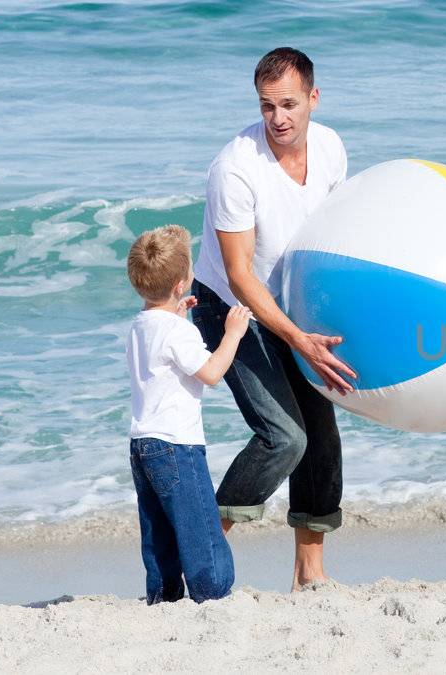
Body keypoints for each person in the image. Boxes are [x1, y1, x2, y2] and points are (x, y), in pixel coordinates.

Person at [190, 47, 356, 590]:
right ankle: (199, 544)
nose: (278, 118)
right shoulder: (235, 170)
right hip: (231, 306)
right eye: (267, 106)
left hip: (294, 298)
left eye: (288, 104)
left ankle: (310, 574)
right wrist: (297, 341)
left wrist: (326, 324)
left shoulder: (330, 147)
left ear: (313, 98)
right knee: (284, 436)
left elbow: (334, 238)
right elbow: (239, 275)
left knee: (321, 435)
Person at [124, 225, 252, 604]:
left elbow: (162, 351)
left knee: (158, 527)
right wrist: (233, 333)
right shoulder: (180, 334)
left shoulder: (139, 325)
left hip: (142, 442)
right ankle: (212, 591)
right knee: (199, 523)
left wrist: (178, 315)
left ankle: (163, 595)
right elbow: (211, 373)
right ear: (182, 284)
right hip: (177, 444)